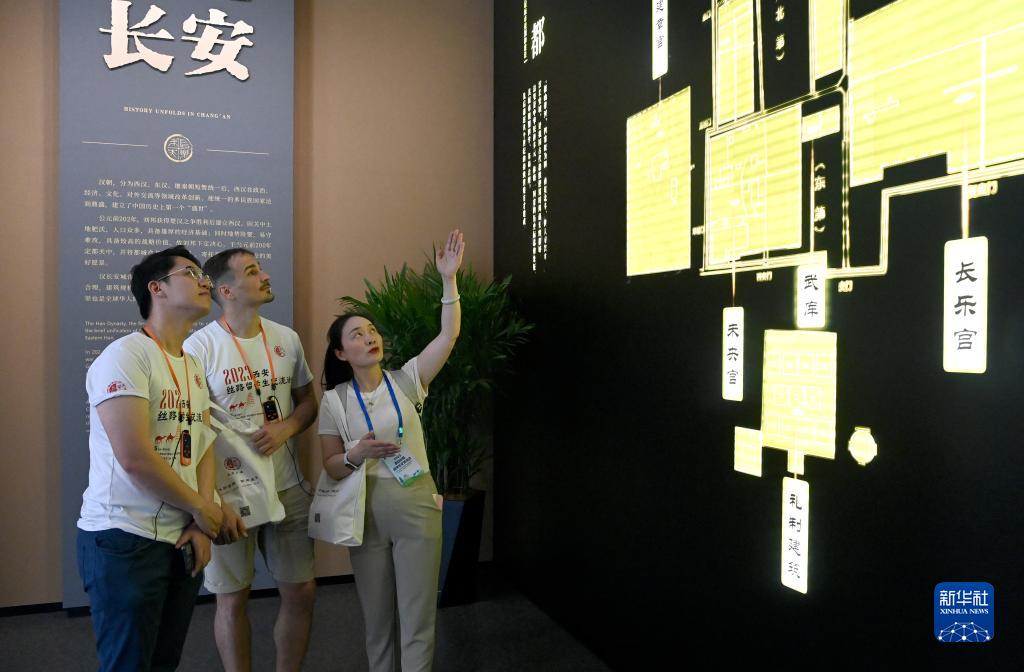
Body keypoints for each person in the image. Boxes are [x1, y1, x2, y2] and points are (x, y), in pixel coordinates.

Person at [318, 229, 465, 672]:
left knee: (418, 616)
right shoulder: (334, 400)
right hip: (364, 508)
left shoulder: (408, 380)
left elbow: (449, 335)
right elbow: (331, 465)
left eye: (372, 330)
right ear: (341, 353)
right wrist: (357, 455)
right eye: (357, 334)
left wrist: (449, 280)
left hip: (416, 501)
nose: (370, 337)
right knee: (377, 618)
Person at [77, 246, 223, 671]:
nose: (205, 282)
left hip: (180, 535)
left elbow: (203, 443)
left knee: (163, 661)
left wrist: (200, 519)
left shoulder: (191, 364)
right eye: (191, 273)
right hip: (125, 537)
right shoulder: (125, 355)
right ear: (156, 288)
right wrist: (202, 509)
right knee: (129, 664)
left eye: (204, 275)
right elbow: (135, 457)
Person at [184, 248, 318, 672]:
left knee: (301, 592)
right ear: (226, 291)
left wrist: (287, 428)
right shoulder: (199, 347)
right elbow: (194, 427)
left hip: (287, 487)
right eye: (253, 271)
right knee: (231, 598)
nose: (265, 276)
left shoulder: (286, 339)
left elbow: (307, 403)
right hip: (230, 494)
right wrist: (209, 501)